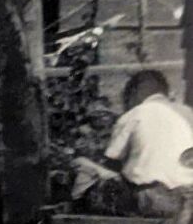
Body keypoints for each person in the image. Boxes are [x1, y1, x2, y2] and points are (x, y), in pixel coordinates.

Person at [71, 69, 193, 216]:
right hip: (189, 197)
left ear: (135, 92)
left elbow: (113, 162)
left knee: (82, 165)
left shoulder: (133, 115)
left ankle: (77, 210)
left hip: (154, 199)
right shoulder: (187, 113)